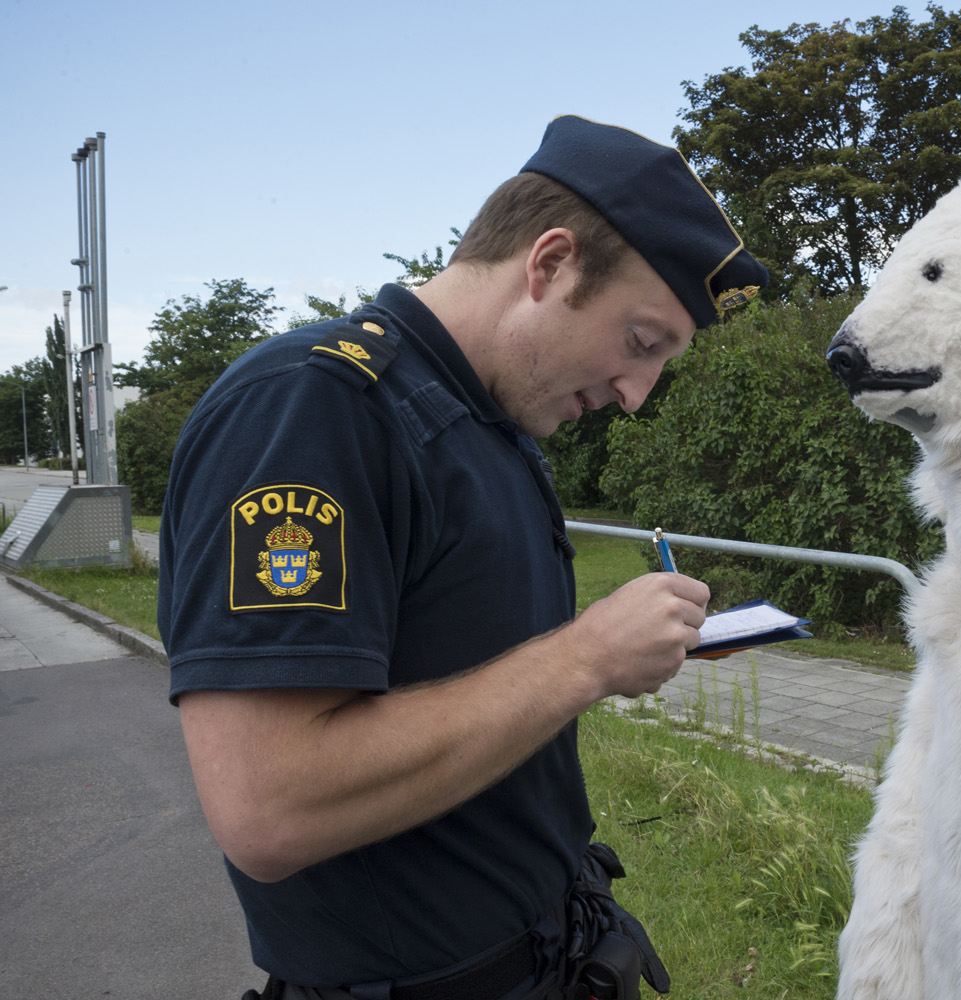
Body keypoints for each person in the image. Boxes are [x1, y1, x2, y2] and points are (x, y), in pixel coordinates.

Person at [158, 115, 770, 1000]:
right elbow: (268, 805)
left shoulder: (486, 425)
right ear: (550, 264)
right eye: (642, 343)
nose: (639, 396)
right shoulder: (315, 411)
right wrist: (587, 658)